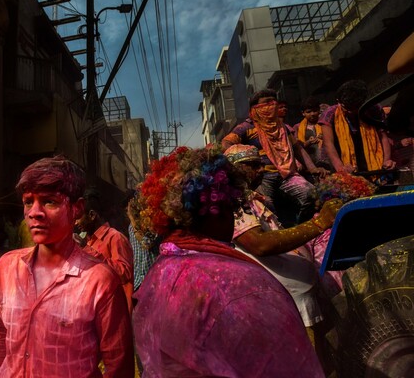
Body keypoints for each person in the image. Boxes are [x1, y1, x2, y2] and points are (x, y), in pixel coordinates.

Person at [131, 145, 324, 377]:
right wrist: (320, 223)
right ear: (217, 210)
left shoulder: (160, 273)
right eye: (231, 208)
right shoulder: (239, 286)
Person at [0, 156, 134, 378]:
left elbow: (119, 365)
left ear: (76, 208)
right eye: (28, 201)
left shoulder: (99, 281)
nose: (34, 212)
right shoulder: (6, 268)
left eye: (49, 201)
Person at [224, 144, 342, 360]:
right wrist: (318, 224)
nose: (260, 170)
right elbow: (260, 244)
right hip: (283, 304)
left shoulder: (250, 198)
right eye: (253, 165)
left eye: (260, 164)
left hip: (297, 299)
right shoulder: (235, 203)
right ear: (234, 169)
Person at [222, 89, 326, 225]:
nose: (272, 105)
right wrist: (246, 160)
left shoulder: (282, 127)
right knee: (266, 206)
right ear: (255, 107)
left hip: (287, 174)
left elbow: (297, 148)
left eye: (273, 102)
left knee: (311, 194)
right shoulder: (246, 127)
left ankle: (301, 229)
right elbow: (226, 143)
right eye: (266, 102)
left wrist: (312, 168)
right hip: (262, 177)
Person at [75, 188, 134, 315]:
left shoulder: (115, 237)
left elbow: (125, 273)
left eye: (79, 217)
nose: (76, 222)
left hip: (112, 312)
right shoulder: (87, 239)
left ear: (92, 215)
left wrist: (87, 249)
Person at [320, 80, 396, 175]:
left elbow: (383, 137)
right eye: (346, 108)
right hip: (340, 160)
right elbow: (329, 143)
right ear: (339, 102)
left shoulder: (374, 109)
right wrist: (341, 168)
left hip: (372, 162)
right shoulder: (330, 114)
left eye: (354, 108)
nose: (350, 112)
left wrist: (387, 160)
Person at [294, 96, 331, 171]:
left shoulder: (325, 125)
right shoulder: (297, 127)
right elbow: (296, 147)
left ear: (319, 110)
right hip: (309, 165)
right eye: (309, 112)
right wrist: (308, 143)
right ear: (303, 113)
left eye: (315, 111)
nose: (312, 114)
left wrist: (325, 137)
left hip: (328, 163)